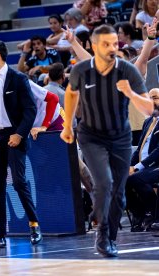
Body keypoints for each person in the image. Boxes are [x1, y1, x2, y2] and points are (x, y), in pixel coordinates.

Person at [60, 24, 153, 257]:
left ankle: (109, 236)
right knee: (104, 183)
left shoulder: (129, 73)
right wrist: (73, 41)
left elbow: (149, 108)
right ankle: (102, 232)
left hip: (121, 137)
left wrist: (130, 93)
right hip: (91, 136)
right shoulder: (87, 71)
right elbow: (83, 62)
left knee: (118, 194)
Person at [0, 40, 42, 248]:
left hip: (14, 138)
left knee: (19, 182)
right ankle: (0, 234)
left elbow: (30, 110)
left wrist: (20, 134)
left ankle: (34, 225)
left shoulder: (18, 78)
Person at [126, 88, 159, 232]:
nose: (152, 102)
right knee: (121, 178)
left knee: (136, 179)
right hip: (143, 166)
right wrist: (129, 166)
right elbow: (139, 149)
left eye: (155, 98)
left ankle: (152, 212)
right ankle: (139, 214)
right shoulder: (147, 122)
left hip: (155, 165)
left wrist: (138, 167)